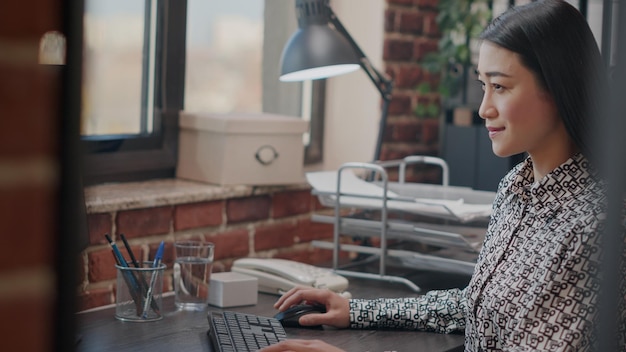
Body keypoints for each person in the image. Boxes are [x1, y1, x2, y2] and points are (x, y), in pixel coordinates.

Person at [260, 0, 625, 351]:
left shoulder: (597, 222)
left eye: (499, 86)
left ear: (558, 89)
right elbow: (474, 306)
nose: (484, 108)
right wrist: (353, 309)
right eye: (483, 85)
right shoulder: (517, 188)